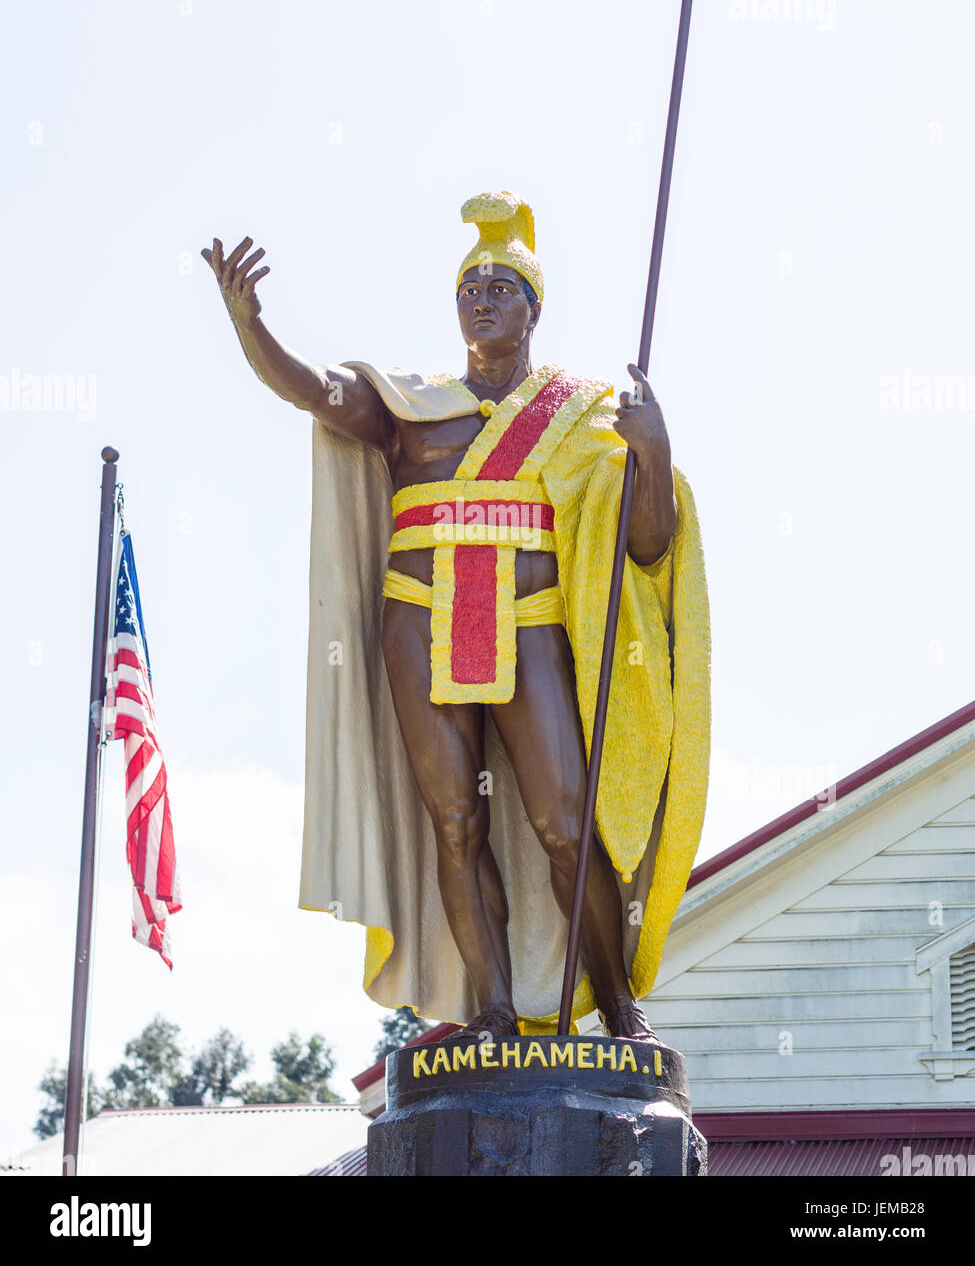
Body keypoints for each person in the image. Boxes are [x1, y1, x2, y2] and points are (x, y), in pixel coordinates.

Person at [202, 190, 710, 1039]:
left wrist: (651, 453)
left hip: (529, 614)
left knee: (564, 822)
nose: (480, 295)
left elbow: (648, 547)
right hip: (420, 616)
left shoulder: (583, 416)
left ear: (532, 308)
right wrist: (251, 326)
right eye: (468, 286)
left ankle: (618, 1008)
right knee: (455, 820)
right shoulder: (411, 406)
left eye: (499, 285)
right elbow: (316, 393)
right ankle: (495, 1010)